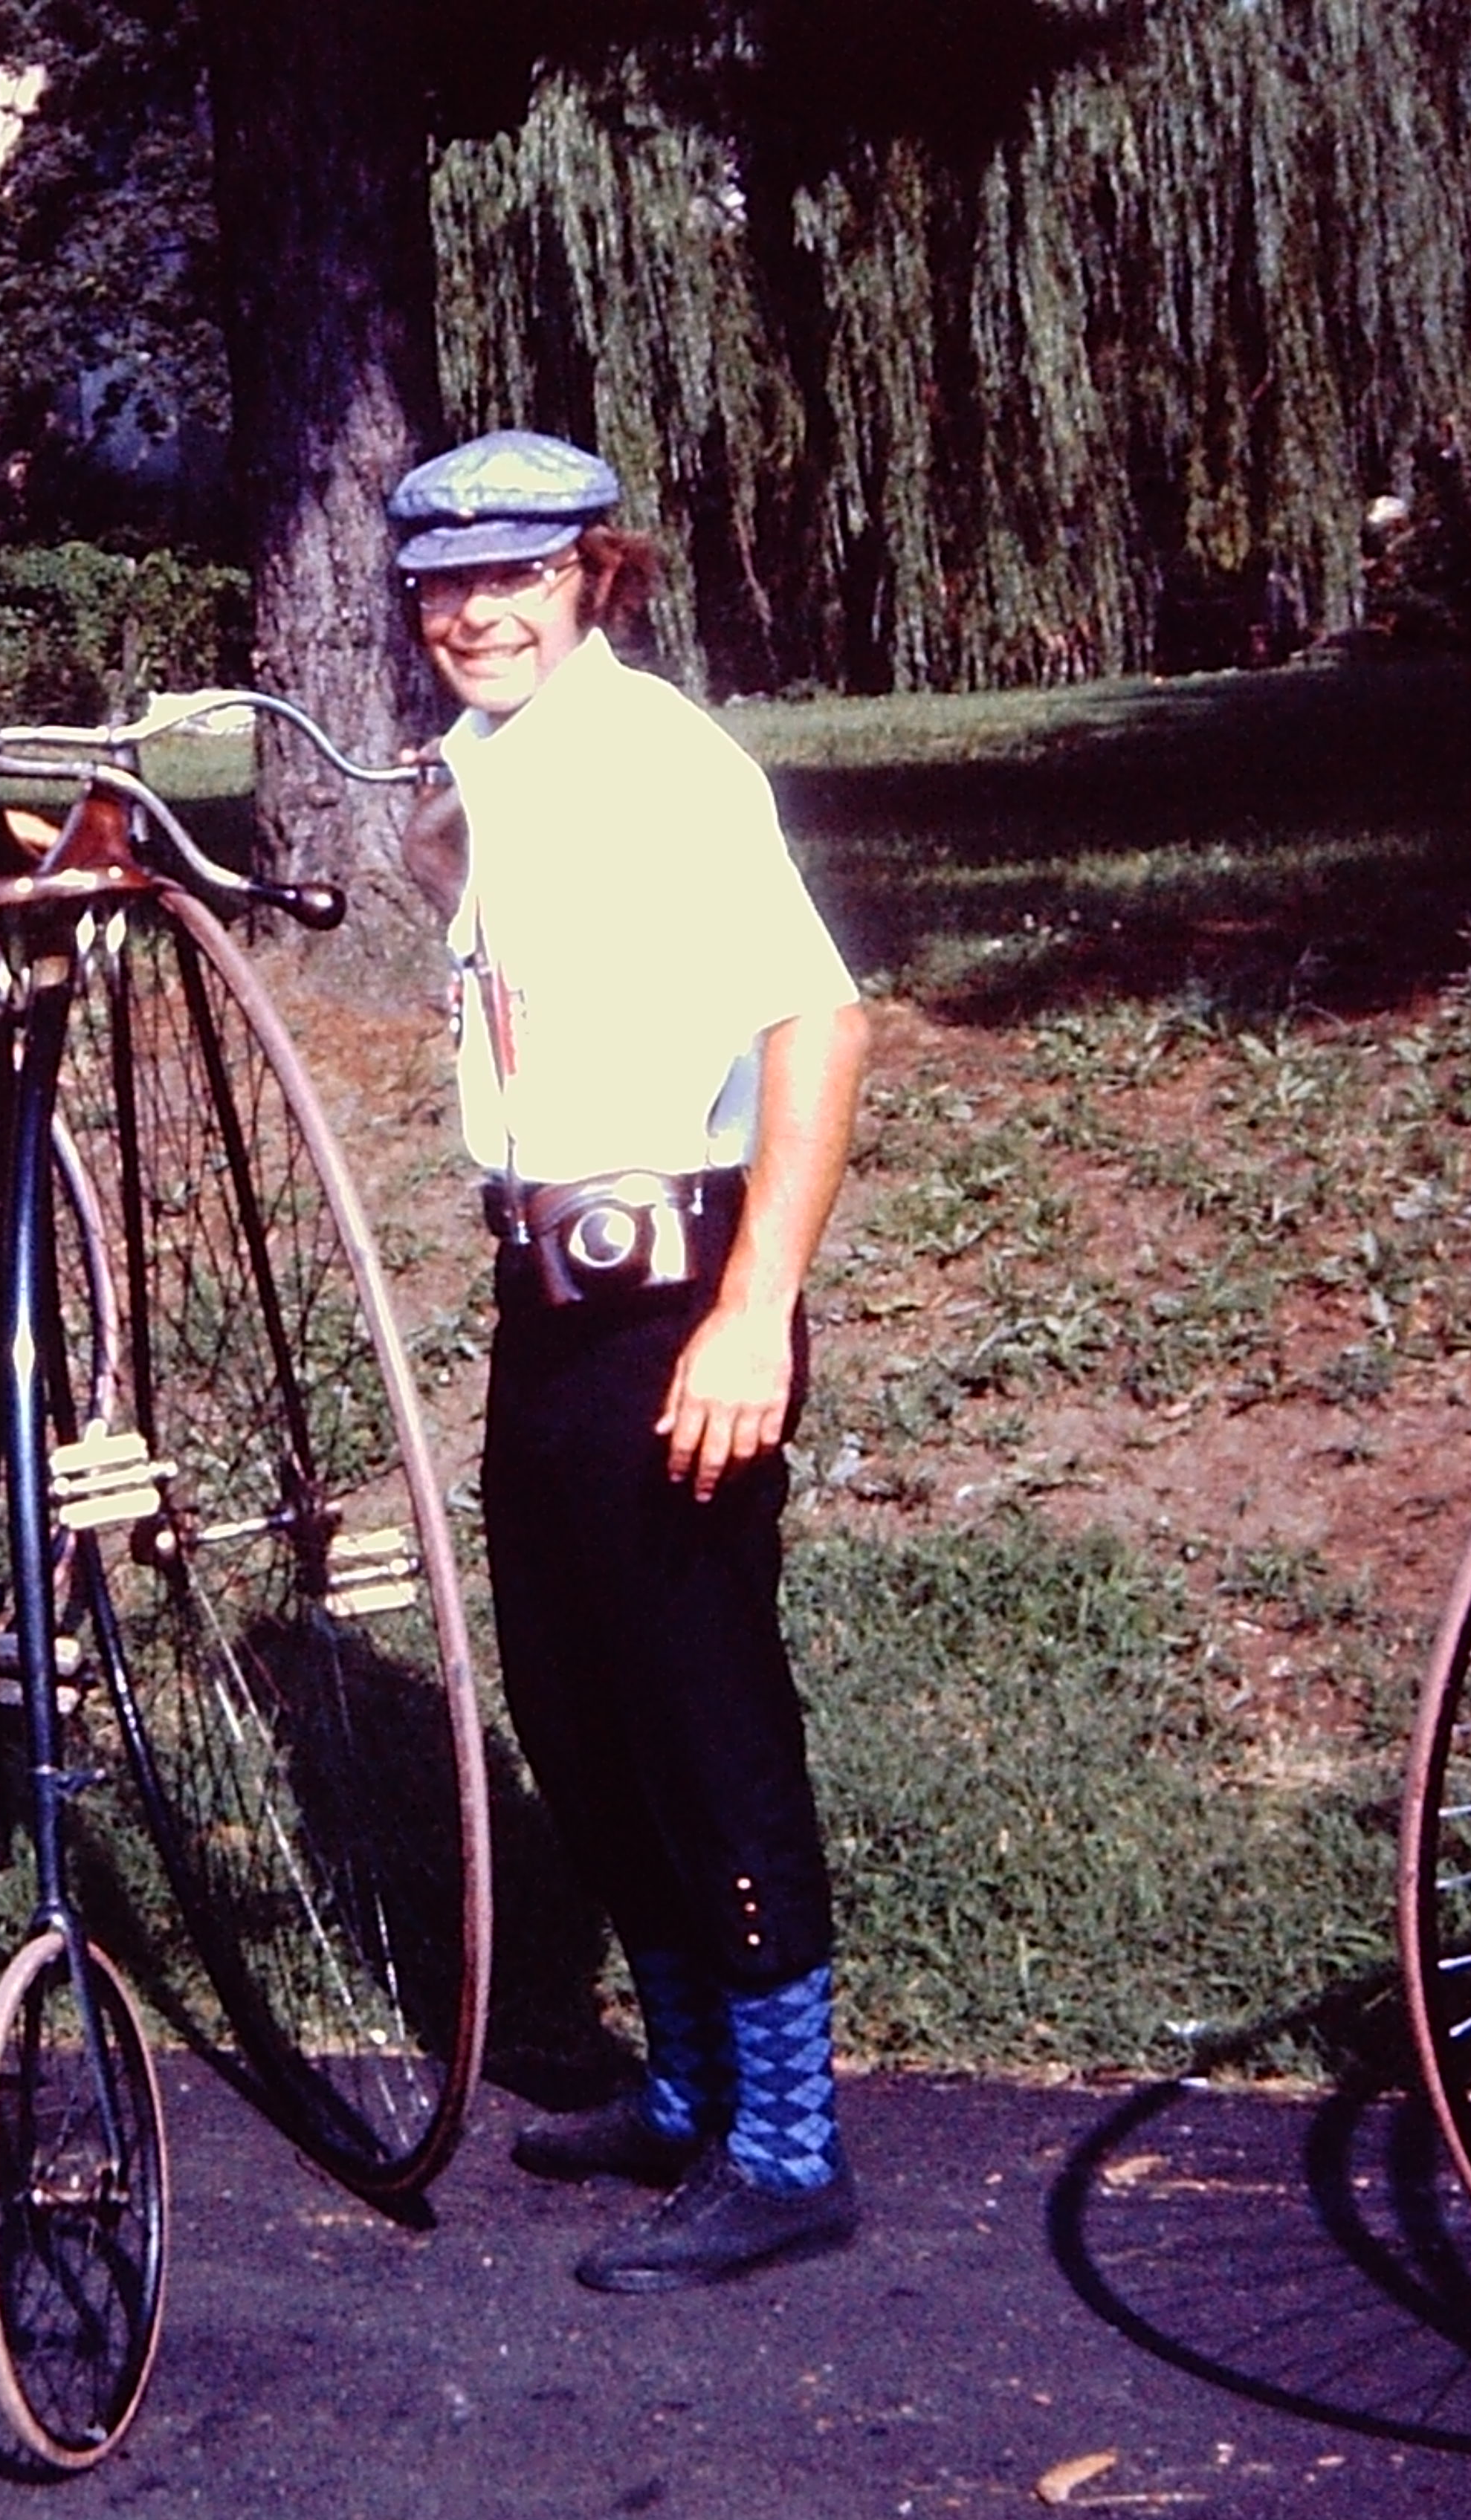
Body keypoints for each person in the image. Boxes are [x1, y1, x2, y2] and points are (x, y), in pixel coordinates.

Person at [387, 428, 876, 2293]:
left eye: (513, 575)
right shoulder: (495, 762)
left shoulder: (657, 761)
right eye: (443, 583)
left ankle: (785, 2145)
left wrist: (752, 1312)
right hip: (549, 1296)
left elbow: (818, 1029)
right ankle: (680, 2086)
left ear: (595, 571)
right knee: (578, 1703)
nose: (475, 611)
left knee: (696, 1708)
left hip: (677, 1294)